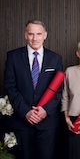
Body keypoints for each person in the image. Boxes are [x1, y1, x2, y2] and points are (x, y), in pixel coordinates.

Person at [4, 20, 63, 159]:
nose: (34, 38)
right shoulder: (13, 57)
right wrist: (26, 111)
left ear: (45, 35)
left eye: (38, 34)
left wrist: (45, 110)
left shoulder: (55, 59)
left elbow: (59, 90)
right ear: (25, 35)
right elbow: (10, 88)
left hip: (47, 124)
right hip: (22, 122)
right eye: (31, 34)